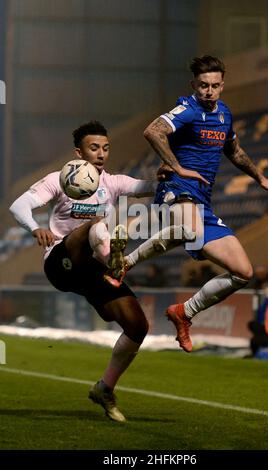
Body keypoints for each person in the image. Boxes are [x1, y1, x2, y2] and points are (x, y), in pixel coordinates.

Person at [107, 55, 268, 353]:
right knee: (187, 229)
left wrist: (260, 177)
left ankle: (184, 313)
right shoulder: (187, 109)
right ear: (194, 84)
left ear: (222, 85)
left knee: (243, 273)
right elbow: (153, 131)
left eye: (215, 86)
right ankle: (125, 263)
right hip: (177, 188)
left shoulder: (224, 114)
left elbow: (234, 149)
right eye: (203, 85)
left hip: (202, 202)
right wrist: (177, 167)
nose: (209, 91)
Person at [9, 120, 157, 422]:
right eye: (94, 148)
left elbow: (145, 187)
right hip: (61, 261)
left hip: (90, 270)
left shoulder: (112, 183)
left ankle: (105, 387)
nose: (101, 153)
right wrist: (36, 227)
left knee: (137, 327)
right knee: (94, 226)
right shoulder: (60, 179)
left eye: (105, 148)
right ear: (79, 152)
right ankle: (114, 258)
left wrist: (167, 178)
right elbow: (19, 206)